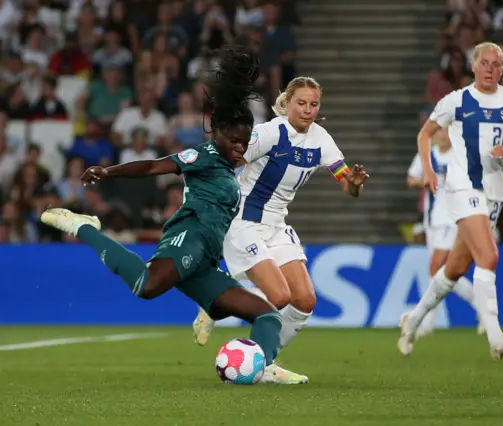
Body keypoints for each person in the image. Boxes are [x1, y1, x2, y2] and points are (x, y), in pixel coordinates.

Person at [40, 46, 289, 383]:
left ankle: (262, 367)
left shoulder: (232, 165)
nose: (239, 148)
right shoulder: (204, 155)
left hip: (206, 259)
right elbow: (153, 166)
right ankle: (86, 228)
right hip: (189, 237)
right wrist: (107, 172)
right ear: (216, 133)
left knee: (268, 316)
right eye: (233, 140)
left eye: (244, 142)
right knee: (146, 286)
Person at [192, 76, 370, 383]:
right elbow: (228, 159)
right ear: (287, 103)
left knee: (304, 300)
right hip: (244, 220)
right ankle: (215, 300)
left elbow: (347, 185)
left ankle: (264, 363)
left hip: (276, 225)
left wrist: (354, 185)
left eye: (314, 104)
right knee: (278, 294)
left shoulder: (321, 139)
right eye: (301, 103)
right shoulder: (270, 132)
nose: (308, 110)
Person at [398, 42, 503, 360]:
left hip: (494, 195)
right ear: (473, 67)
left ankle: (413, 320)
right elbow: (424, 134)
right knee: (488, 257)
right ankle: (495, 338)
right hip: (462, 189)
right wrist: (430, 170)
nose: (490, 69)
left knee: (453, 270)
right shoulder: (457, 100)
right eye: (485, 63)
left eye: (497, 64)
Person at [405, 127, 483, 338]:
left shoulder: (460, 154)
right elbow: (411, 178)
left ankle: (427, 322)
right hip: (433, 221)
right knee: (443, 272)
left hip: (455, 218)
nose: (442, 135)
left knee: (439, 267)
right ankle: (480, 306)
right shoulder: (426, 154)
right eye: (439, 131)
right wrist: (422, 181)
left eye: (446, 131)